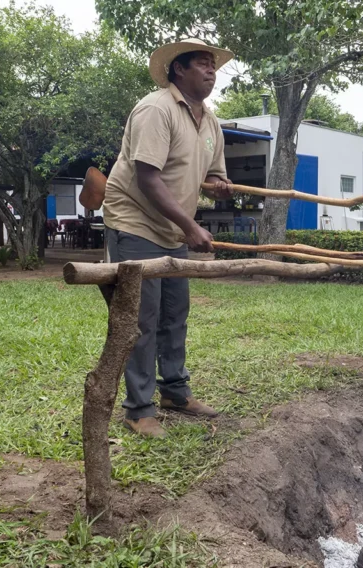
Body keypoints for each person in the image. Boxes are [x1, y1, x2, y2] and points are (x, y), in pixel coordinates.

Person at [102, 39, 235, 438]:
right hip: (136, 222)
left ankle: (175, 392)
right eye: (202, 63)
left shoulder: (210, 122)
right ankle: (138, 409)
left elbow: (212, 176)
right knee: (141, 319)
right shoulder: (156, 109)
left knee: (175, 314)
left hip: (172, 229)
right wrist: (191, 227)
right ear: (179, 69)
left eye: (213, 65)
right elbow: (148, 177)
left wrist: (219, 187)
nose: (211, 71)